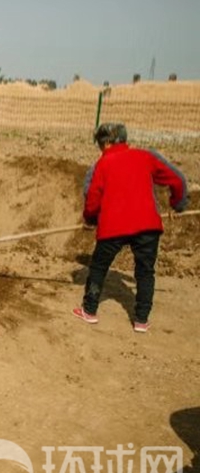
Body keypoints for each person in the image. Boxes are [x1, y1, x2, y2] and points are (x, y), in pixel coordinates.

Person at [72, 123, 187, 333]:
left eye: (100, 144)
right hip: (148, 226)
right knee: (145, 272)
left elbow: (93, 198)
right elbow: (178, 180)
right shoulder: (146, 156)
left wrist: (90, 219)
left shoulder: (103, 164)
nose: (99, 148)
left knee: (98, 267)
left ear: (107, 143)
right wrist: (177, 204)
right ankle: (141, 320)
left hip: (113, 226)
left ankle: (89, 311)